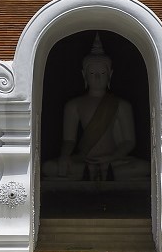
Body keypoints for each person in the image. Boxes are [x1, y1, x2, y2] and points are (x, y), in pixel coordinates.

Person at [42, 34, 148, 181]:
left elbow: (129, 142)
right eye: (92, 73)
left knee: (145, 167)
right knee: (48, 167)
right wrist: (65, 156)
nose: (97, 77)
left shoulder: (121, 105)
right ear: (84, 75)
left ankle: (98, 173)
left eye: (102, 73)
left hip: (113, 160)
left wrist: (111, 158)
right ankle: (100, 173)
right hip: (84, 160)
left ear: (110, 74)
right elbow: (69, 140)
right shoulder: (74, 105)